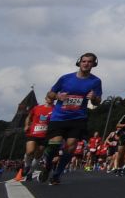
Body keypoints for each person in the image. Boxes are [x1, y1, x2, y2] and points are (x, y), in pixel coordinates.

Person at [41, 53, 104, 185]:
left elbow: (98, 101)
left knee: (70, 147)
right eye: (84, 61)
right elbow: (50, 94)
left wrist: (93, 98)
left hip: (78, 117)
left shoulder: (96, 81)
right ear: (79, 62)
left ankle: (57, 174)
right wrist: (58, 96)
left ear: (94, 64)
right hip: (59, 116)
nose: (86, 64)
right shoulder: (65, 78)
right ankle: (47, 166)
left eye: (89, 62)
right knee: (54, 144)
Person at [19, 99, 52, 182]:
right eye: (49, 98)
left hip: (45, 136)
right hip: (33, 133)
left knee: (38, 155)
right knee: (30, 151)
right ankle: (26, 166)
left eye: (52, 99)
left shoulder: (55, 109)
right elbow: (28, 117)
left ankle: (30, 172)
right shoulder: (36, 108)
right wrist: (26, 125)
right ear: (46, 98)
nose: (50, 100)